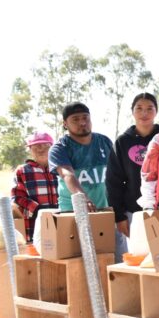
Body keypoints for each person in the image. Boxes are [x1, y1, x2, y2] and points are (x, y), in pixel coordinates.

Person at [48, 102, 118, 249]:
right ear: (65, 124)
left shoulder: (104, 141)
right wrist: (83, 198)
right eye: (75, 119)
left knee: (114, 257)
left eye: (85, 117)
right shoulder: (59, 148)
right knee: (78, 258)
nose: (82, 122)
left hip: (105, 211)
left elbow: (116, 173)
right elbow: (67, 174)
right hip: (72, 213)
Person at [107, 93, 159, 254]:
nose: (144, 113)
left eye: (149, 108)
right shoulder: (122, 142)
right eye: (139, 108)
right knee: (140, 258)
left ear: (156, 111)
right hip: (134, 212)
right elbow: (113, 181)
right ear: (132, 111)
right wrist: (119, 216)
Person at [10, 132, 59, 242]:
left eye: (45, 146)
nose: (41, 150)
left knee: (62, 246)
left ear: (52, 148)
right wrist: (37, 209)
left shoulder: (60, 169)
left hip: (60, 220)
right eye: (36, 147)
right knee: (36, 249)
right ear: (30, 150)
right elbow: (17, 197)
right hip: (33, 223)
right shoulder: (22, 171)